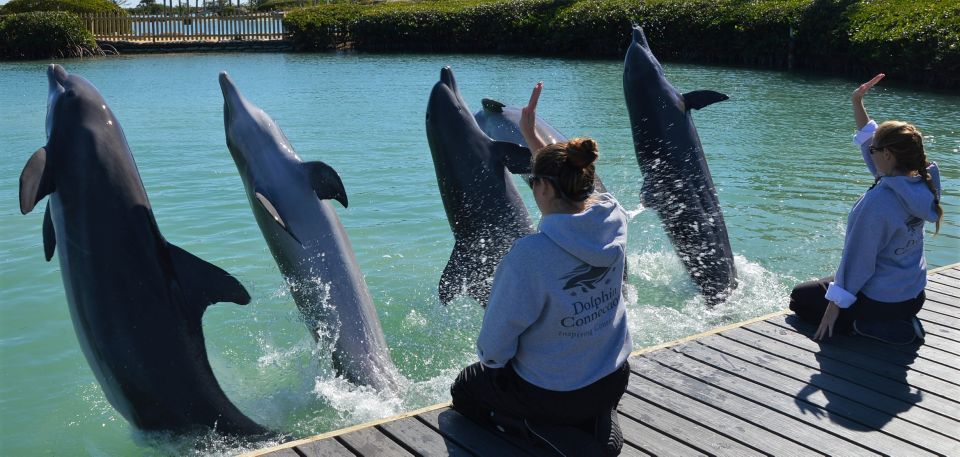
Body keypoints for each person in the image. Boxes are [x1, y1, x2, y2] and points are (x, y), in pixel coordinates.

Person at [450, 82, 632, 456]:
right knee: (575, 384)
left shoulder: (529, 257)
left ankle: (542, 431)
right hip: (614, 375)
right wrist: (531, 134)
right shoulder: (614, 216)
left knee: (466, 390)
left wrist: (495, 366)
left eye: (533, 181)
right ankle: (597, 416)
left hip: (554, 394)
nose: (532, 187)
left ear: (544, 189)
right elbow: (573, 181)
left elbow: (493, 351)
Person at [790, 73, 943, 344]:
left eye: (873, 150)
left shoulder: (878, 203)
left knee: (801, 300)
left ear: (887, 155)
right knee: (821, 289)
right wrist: (857, 101)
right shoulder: (919, 181)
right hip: (913, 295)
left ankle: (868, 326)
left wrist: (833, 308)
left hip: (883, 302)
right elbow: (871, 140)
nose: (868, 152)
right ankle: (894, 317)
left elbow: (858, 262)